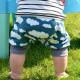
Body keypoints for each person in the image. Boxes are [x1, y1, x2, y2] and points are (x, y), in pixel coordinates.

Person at [9, 0, 70, 79]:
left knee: (18, 46)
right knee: (59, 47)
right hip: (52, 20)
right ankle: (60, 73)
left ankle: (15, 74)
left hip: (26, 20)